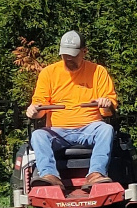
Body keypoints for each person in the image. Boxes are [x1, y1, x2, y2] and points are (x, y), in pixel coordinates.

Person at [25, 30, 119, 191]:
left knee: (106, 129)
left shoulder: (98, 72)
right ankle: (50, 176)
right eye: (65, 54)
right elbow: (39, 109)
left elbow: (108, 112)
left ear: (84, 52)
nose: (68, 58)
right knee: (38, 135)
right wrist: (34, 111)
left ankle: (96, 174)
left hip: (90, 128)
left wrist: (106, 103)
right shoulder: (49, 73)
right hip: (57, 131)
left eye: (73, 55)